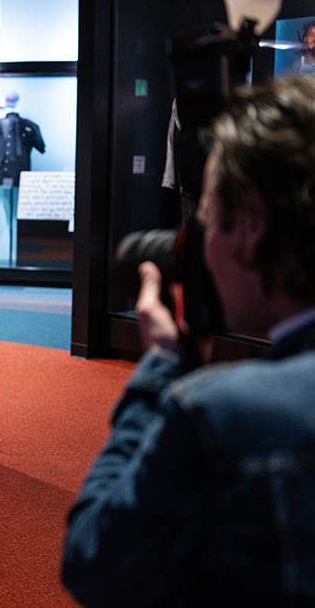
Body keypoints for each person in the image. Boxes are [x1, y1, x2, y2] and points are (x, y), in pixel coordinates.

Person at [62, 75, 315, 606]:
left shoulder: (220, 415)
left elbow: (93, 559)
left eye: (206, 219)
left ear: (248, 228)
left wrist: (161, 365)